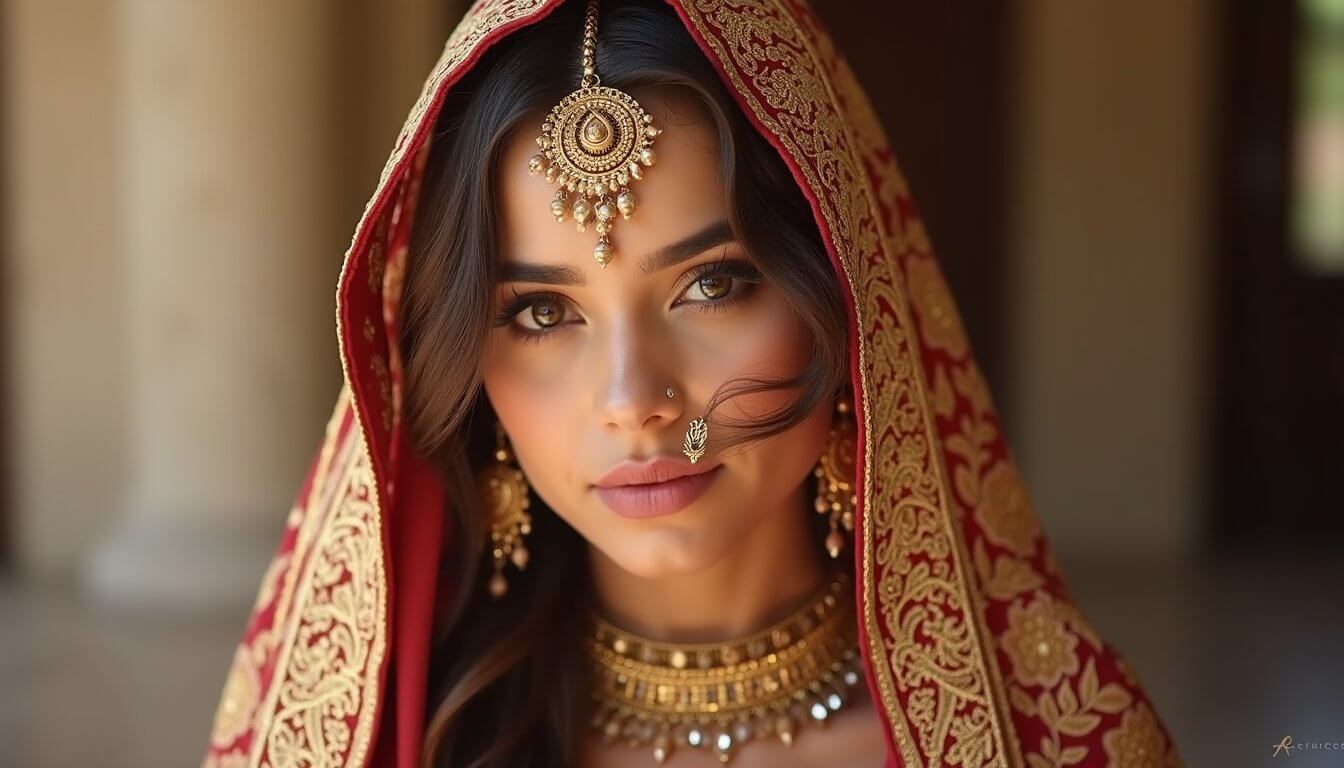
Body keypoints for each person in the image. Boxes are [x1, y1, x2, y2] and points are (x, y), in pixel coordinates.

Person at [202, 1, 1182, 767]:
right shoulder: (408, 742)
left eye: (712, 285)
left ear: (847, 299)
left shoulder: (1054, 742)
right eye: (541, 312)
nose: (634, 399)